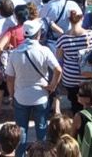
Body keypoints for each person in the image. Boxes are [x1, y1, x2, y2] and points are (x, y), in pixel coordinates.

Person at [10, 20, 59, 156]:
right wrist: (52, 86)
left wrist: (11, 93)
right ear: (38, 34)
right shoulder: (44, 50)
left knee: (21, 130)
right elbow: (58, 70)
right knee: (42, 129)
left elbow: (10, 77)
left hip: (21, 95)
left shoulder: (15, 52)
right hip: (40, 96)